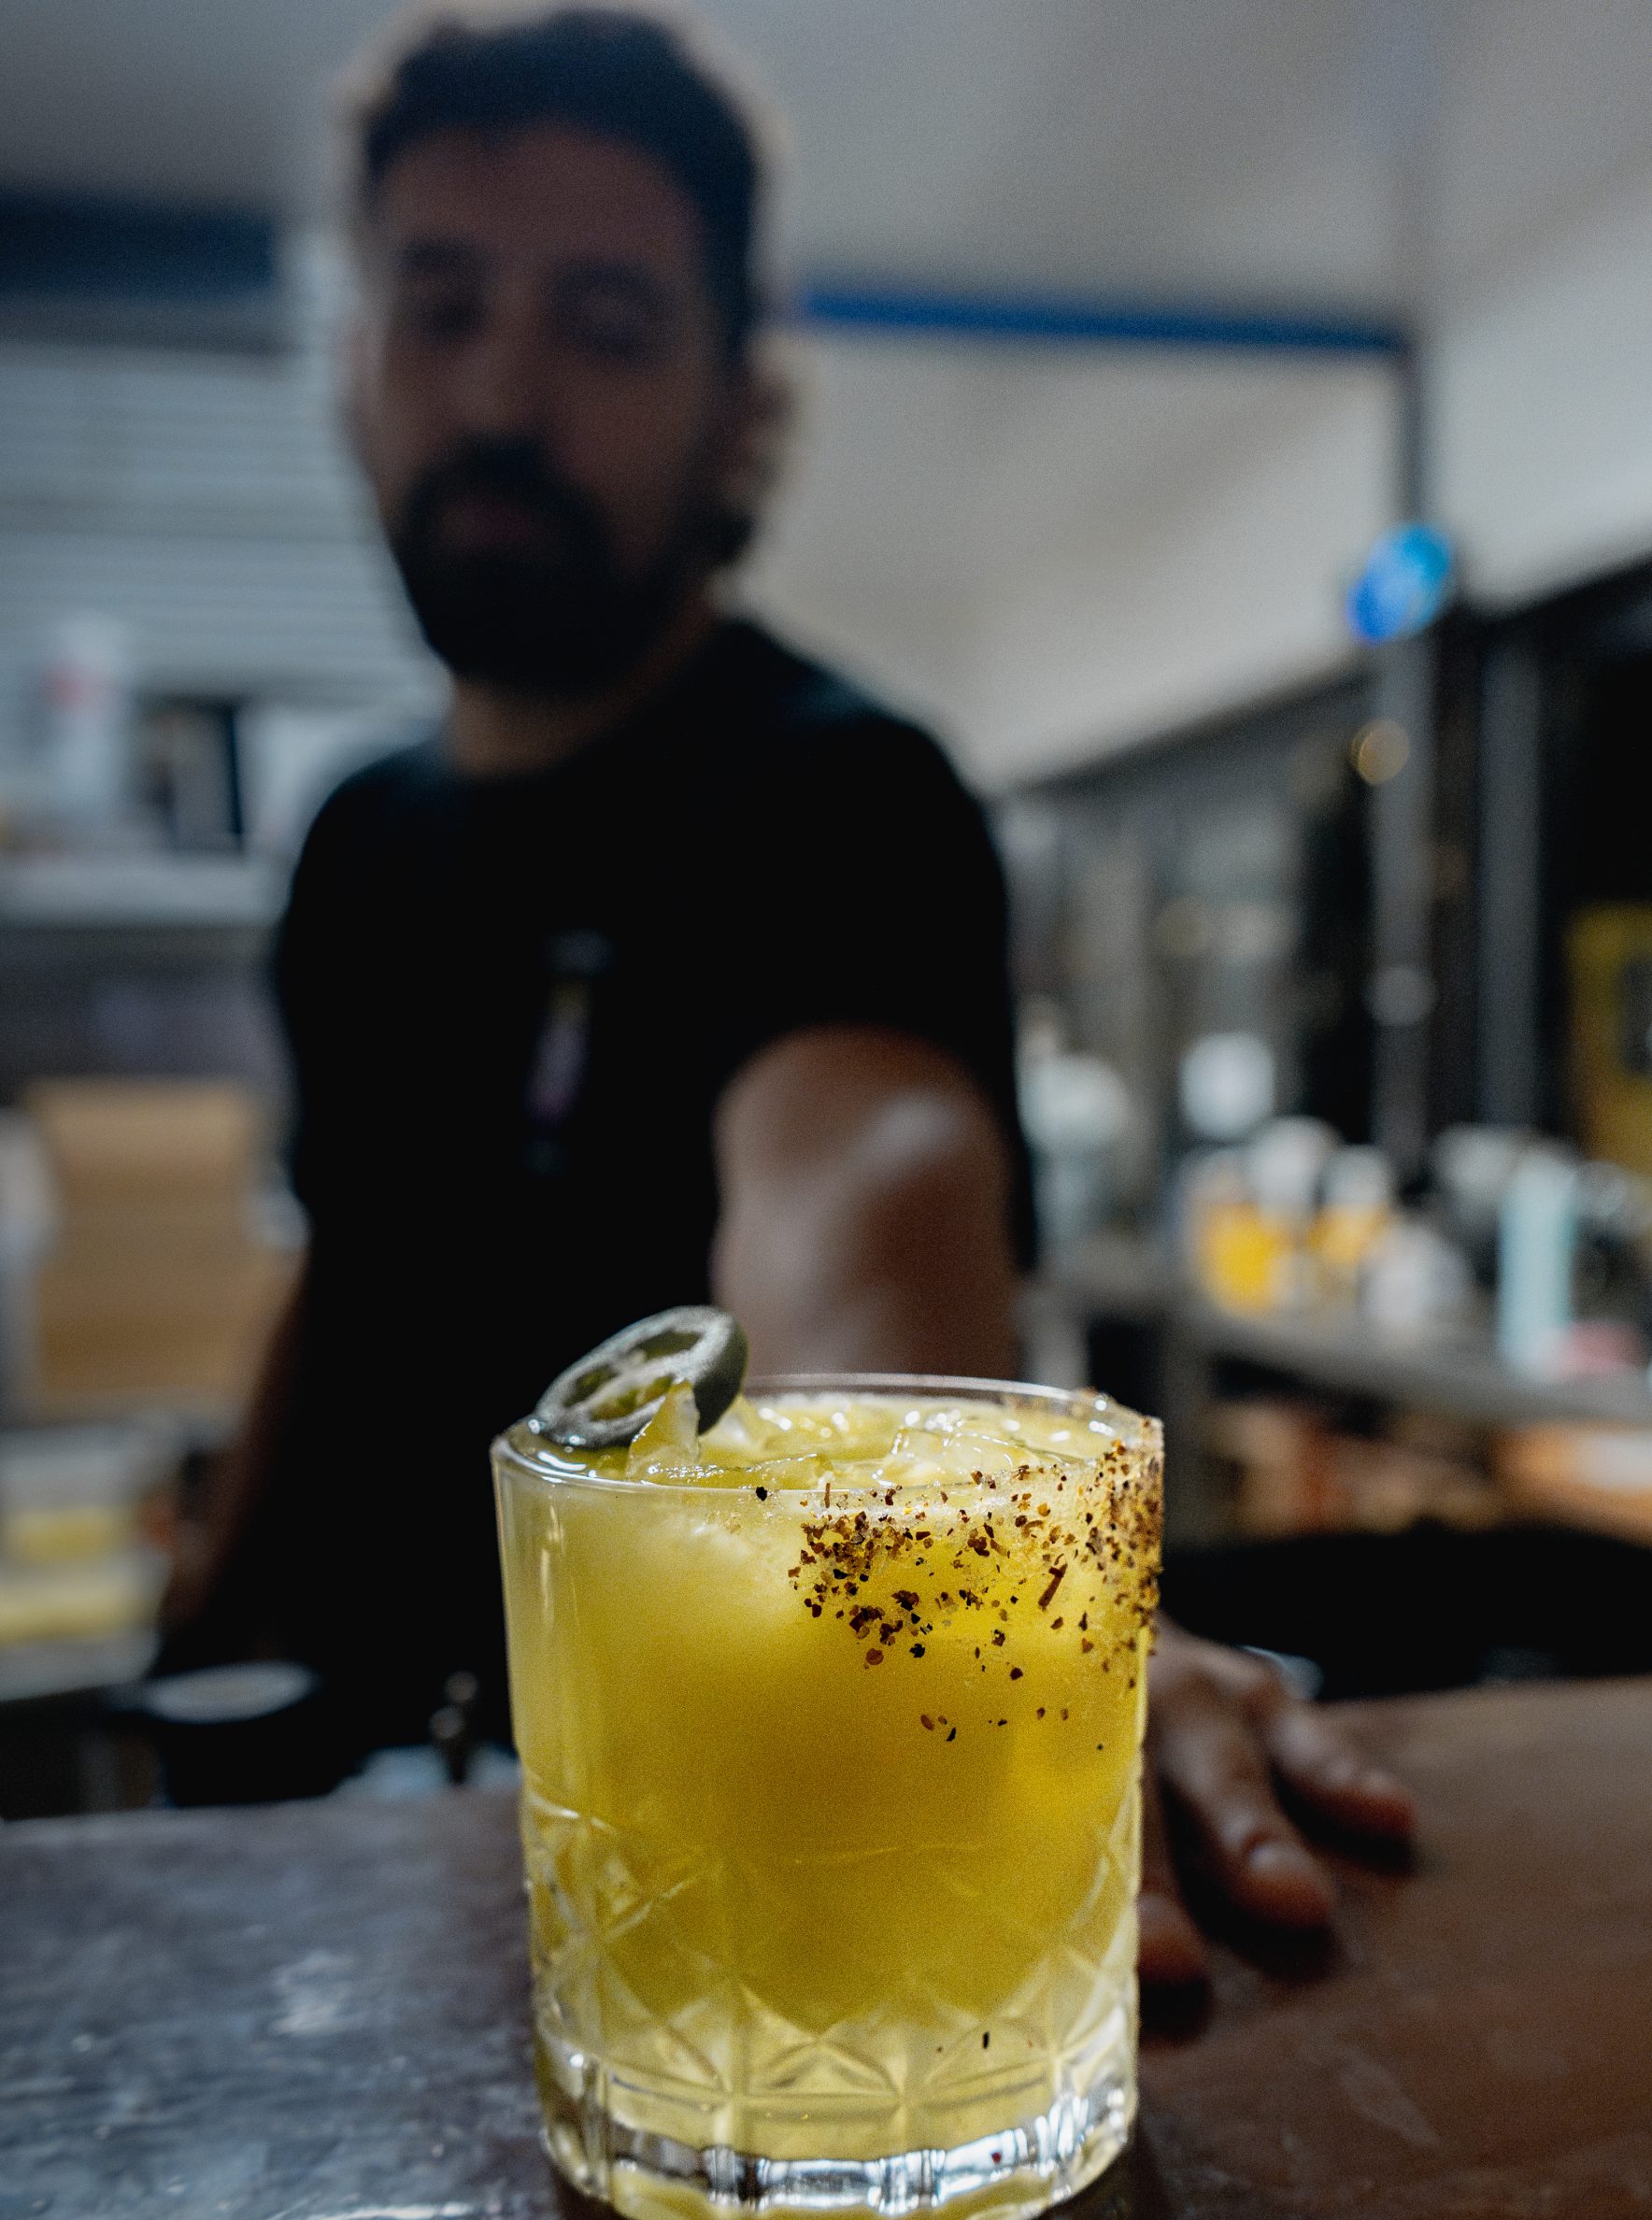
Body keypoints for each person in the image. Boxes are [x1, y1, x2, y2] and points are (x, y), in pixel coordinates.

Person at [160, 2, 1411, 1980]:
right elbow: (351, 1248)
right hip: (314, 1844)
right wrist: (203, 1623)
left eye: (605, 322)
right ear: (355, 363)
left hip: (671, 1852)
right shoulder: (353, 842)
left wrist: (951, 1581)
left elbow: (862, 1202)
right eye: (442, 304)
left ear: (738, 399)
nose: (501, 392)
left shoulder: (829, 793)